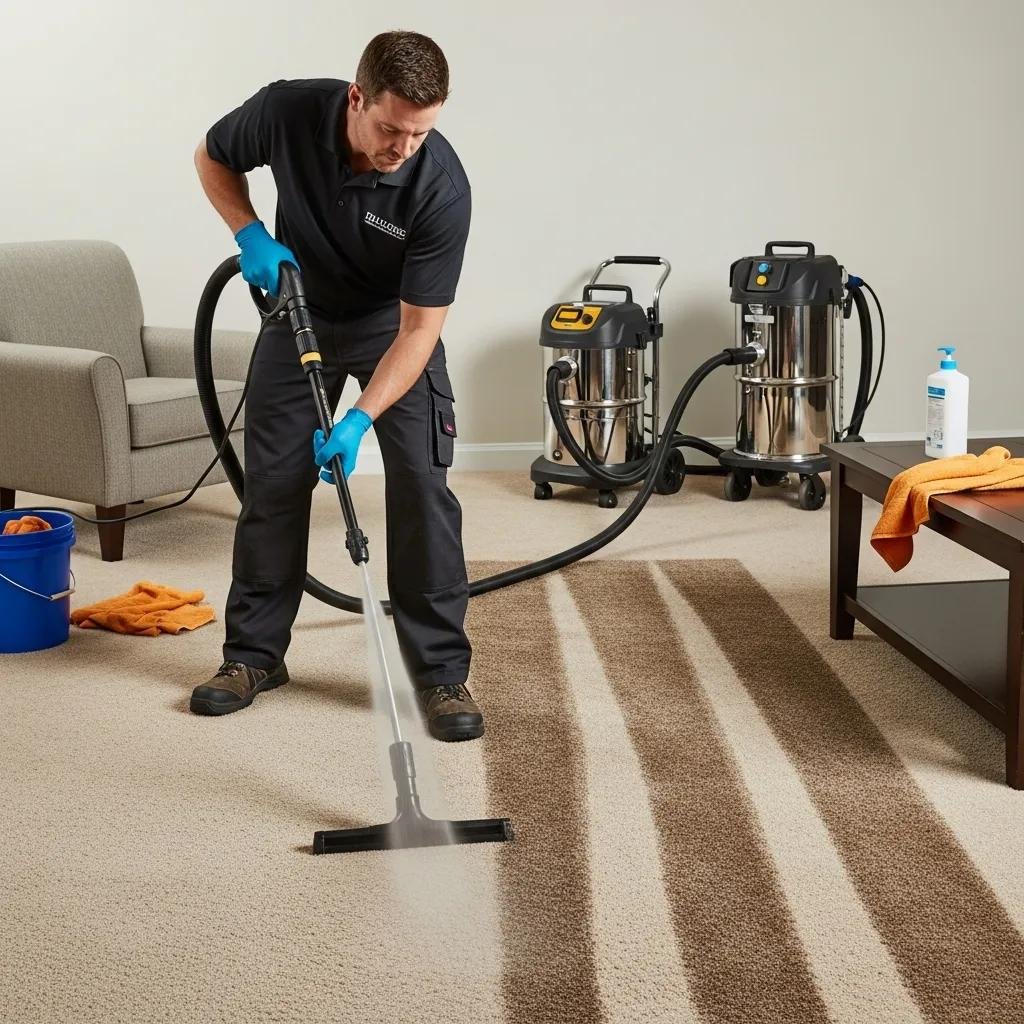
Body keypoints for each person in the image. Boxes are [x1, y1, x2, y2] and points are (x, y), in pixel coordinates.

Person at [189, 31, 483, 742]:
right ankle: (253, 656)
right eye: (390, 128)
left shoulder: (440, 187)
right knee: (274, 483)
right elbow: (212, 156)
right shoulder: (287, 113)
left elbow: (419, 332)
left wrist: (358, 419)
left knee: (421, 483)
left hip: (392, 326)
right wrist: (249, 233)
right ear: (357, 98)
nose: (402, 147)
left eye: (421, 132)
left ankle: (440, 672)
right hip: (300, 312)